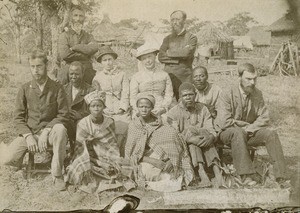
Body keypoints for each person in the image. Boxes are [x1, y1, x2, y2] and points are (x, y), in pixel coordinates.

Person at [0, 49, 69, 191]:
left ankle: (57, 174)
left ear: (46, 66)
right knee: (6, 160)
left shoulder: (57, 88)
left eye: (39, 66)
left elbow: (63, 115)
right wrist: (28, 136)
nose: (36, 70)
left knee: (61, 128)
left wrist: (46, 131)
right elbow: (18, 117)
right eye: (32, 67)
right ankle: (16, 160)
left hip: (50, 134)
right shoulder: (25, 89)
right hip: (30, 134)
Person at [215, 63, 287, 185]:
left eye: (255, 79)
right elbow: (224, 122)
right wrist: (245, 126)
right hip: (226, 133)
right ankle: (245, 175)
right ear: (239, 78)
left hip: (248, 131)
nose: (252, 82)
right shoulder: (227, 93)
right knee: (237, 132)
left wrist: (250, 128)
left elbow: (264, 117)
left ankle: (281, 176)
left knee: (271, 134)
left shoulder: (257, 94)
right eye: (248, 79)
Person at [65, 90, 134, 193]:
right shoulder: (83, 124)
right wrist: (101, 163)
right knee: (80, 166)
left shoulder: (109, 122)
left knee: (124, 165)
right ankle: (101, 177)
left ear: (104, 107)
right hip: (90, 157)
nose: (96, 108)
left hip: (106, 156)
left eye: (99, 105)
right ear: (89, 108)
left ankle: (104, 177)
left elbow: (112, 146)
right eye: (93, 106)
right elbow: (80, 150)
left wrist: (108, 163)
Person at [125, 93, 194, 191]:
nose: (144, 109)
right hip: (145, 160)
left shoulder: (162, 123)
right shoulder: (134, 125)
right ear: (137, 107)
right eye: (141, 107)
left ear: (152, 107)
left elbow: (173, 145)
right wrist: (153, 161)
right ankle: (167, 181)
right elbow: (132, 153)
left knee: (173, 173)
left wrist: (172, 161)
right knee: (145, 171)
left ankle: (171, 177)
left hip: (165, 159)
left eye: (147, 107)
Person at [167, 82, 223, 188]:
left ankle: (217, 172)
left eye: (190, 94)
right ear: (180, 97)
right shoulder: (173, 113)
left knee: (204, 133)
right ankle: (202, 172)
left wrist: (211, 137)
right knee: (192, 136)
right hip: (185, 146)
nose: (188, 98)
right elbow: (174, 135)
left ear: (195, 94)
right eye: (185, 95)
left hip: (204, 141)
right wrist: (190, 139)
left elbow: (210, 127)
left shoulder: (203, 108)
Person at [158, 10, 198, 100]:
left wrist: (168, 53)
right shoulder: (167, 39)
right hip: (168, 77)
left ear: (184, 21)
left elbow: (187, 53)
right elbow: (160, 57)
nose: (174, 22)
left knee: (185, 102)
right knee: (169, 103)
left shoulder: (191, 37)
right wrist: (178, 59)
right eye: (172, 20)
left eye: (177, 19)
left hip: (184, 77)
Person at [57, 5, 98, 85]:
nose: (78, 19)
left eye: (81, 16)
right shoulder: (64, 35)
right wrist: (86, 54)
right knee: (63, 89)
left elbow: (94, 47)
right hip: (69, 69)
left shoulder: (88, 36)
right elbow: (65, 55)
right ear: (70, 18)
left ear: (84, 19)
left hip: (86, 70)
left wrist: (76, 47)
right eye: (75, 15)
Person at [130, 44, 174, 118]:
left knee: (166, 121)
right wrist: (138, 109)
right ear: (141, 61)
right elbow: (133, 97)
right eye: (144, 58)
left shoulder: (164, 75)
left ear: (154, 56)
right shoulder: (136, 76)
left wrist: (163, 108)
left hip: (160, 106)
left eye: (149, 57)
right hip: (142, 108)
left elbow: (169, 94)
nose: (148, 61)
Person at [64, 61, 94, 141]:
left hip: (83, 125)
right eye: (71, 74)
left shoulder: (90, 90)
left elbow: (94, 111)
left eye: (77, 74)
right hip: (66, 123)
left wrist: (81, 115)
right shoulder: (63, 89)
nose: (73, 76)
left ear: (82, 74)